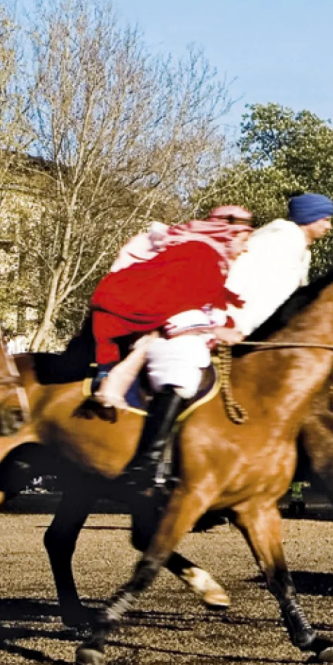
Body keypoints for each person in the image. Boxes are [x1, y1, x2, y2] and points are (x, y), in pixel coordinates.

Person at [88, 209, 253, 491]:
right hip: (161, 331)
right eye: (244, 239)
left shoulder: (211, 257)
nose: (246, 247)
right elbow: (172, 305)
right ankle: (145, 466)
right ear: (231, 233)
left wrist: (224, 325)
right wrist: (217, 329)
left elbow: (198, 301)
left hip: (178, 329)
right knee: (182, 378)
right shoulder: (200, 254)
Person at [222, 194, 333, 340]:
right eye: (325, 220)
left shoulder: (301, 249)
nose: (329, 227)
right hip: (244, 331)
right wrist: (237, 325)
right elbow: (244, 280)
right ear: (309, 217)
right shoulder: (279, 241)